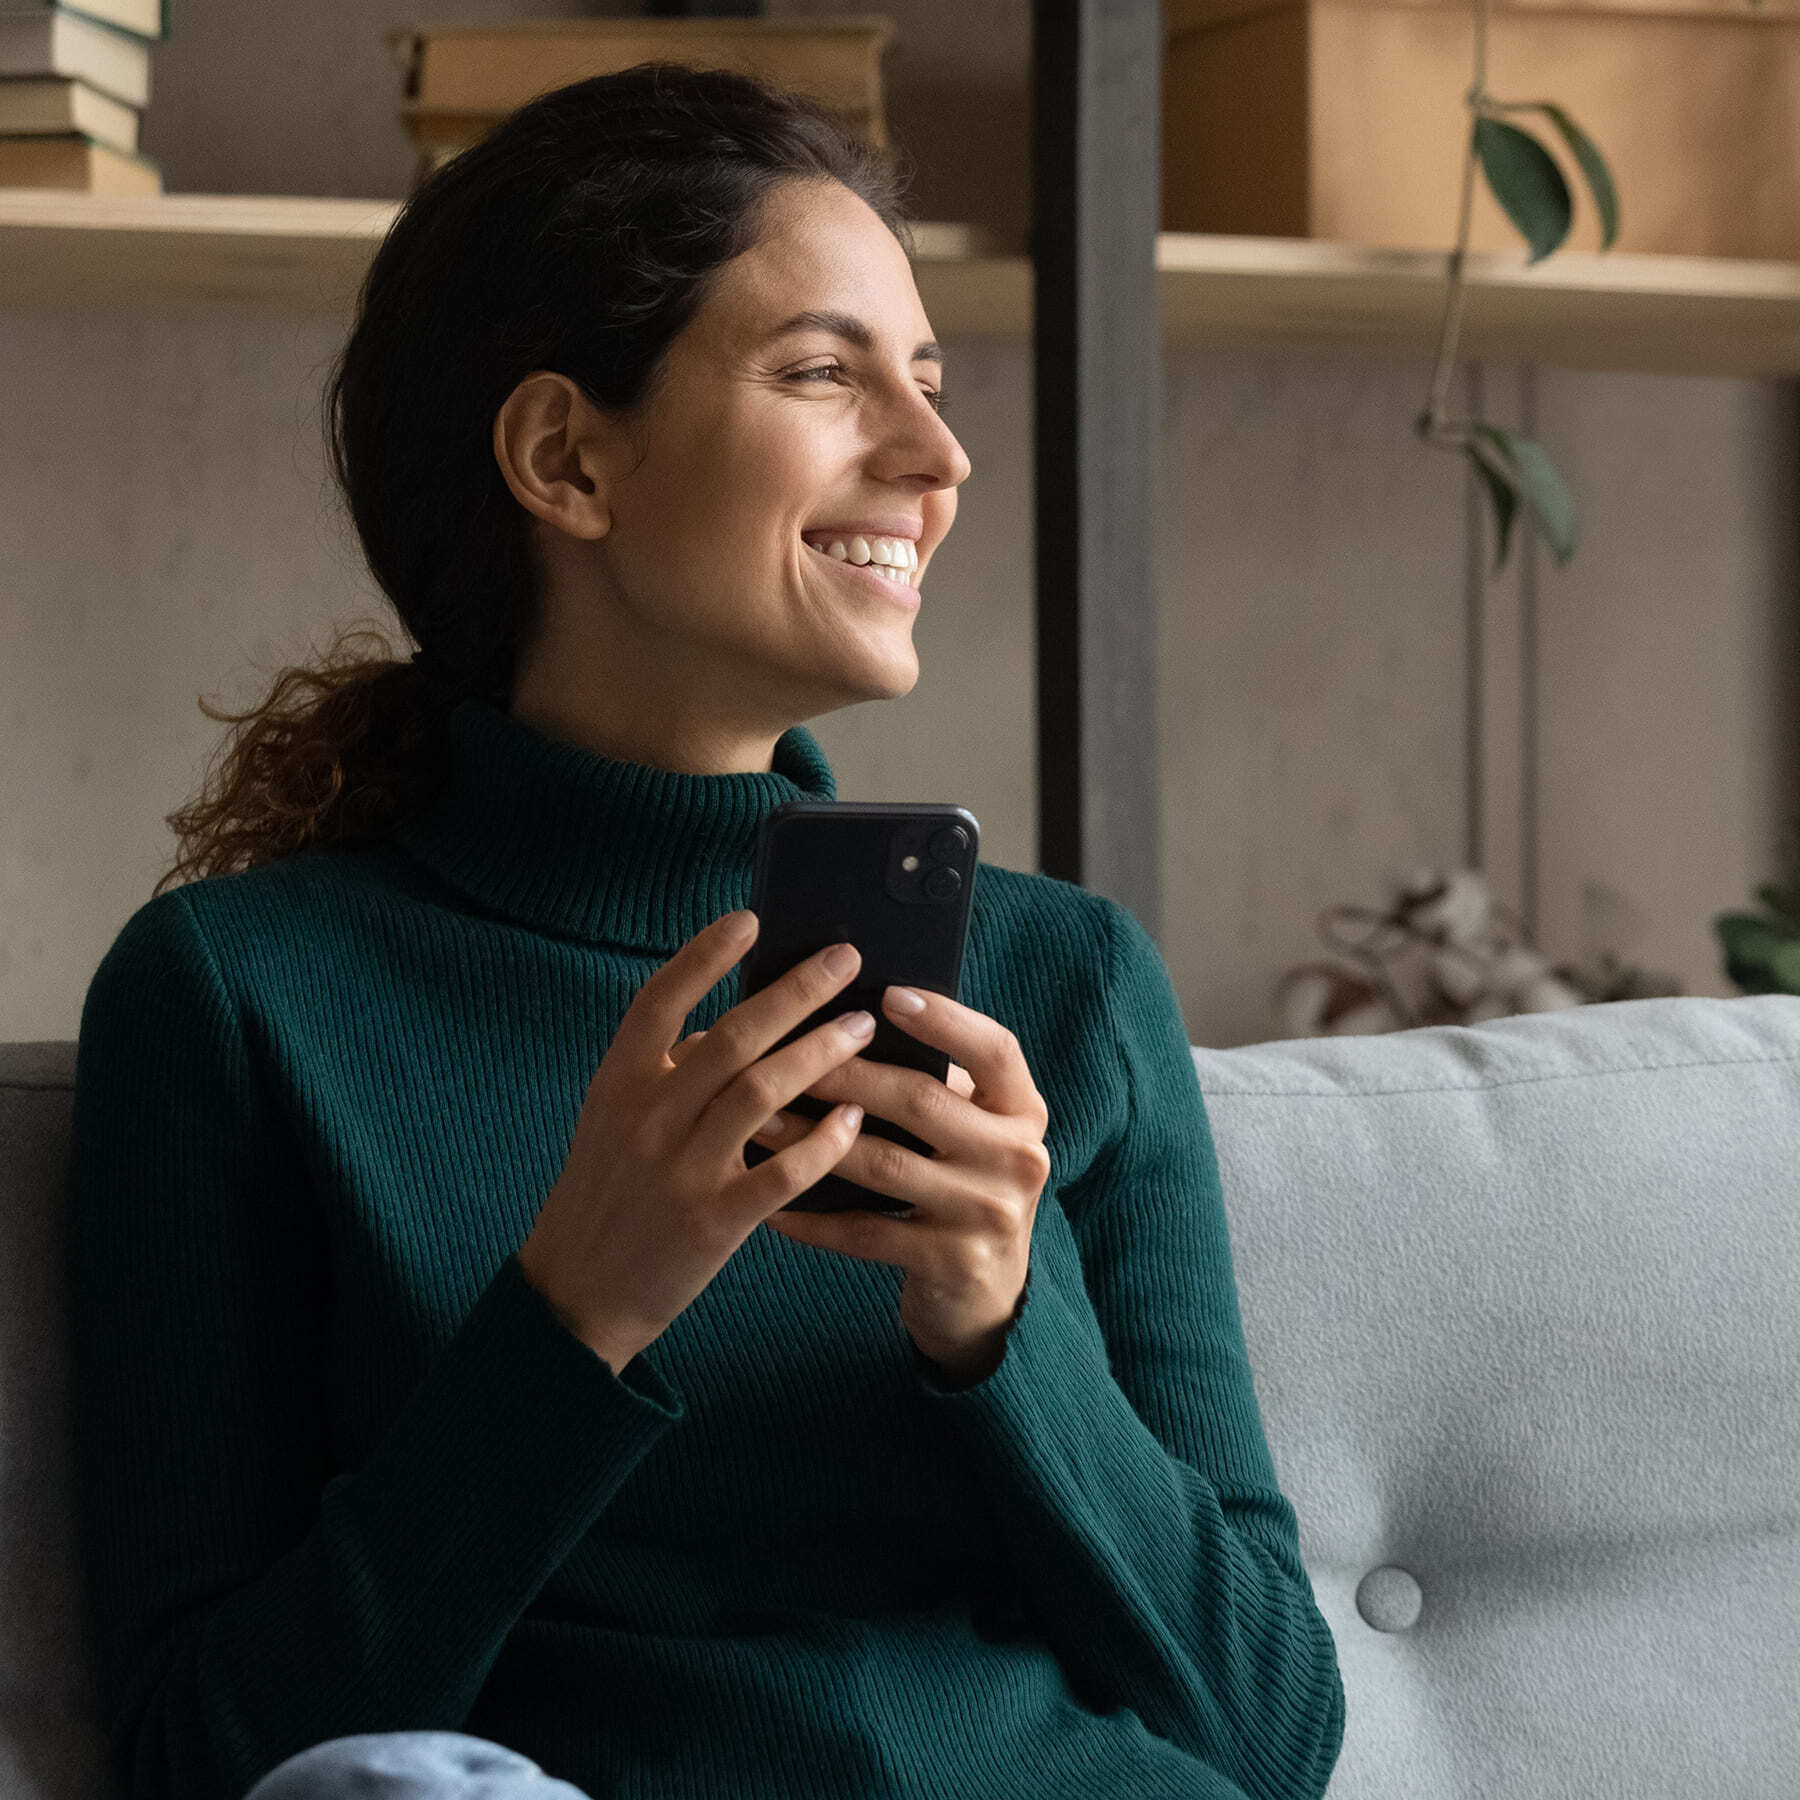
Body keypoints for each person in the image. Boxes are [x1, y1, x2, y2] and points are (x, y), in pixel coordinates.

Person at [63, 63, 1346, 1800]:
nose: (941, 456)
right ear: (566, 458)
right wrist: (575, 1312)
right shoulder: (242, 1001)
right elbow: (206, 1753)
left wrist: (999, 1324)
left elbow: (1271, 1736)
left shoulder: (1067, 984)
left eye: (933, 380)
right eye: (826, 371)